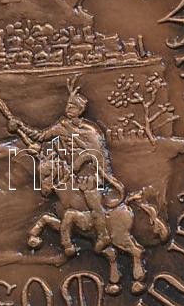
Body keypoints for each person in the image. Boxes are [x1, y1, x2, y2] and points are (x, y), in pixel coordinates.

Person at [12, 79, 116, 252]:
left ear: (80, 111)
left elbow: (97, 154)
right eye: (68, 106)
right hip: (69, 172)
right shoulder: (61, 127)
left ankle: (103, 234)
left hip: (89, 175)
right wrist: (20, 126)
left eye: (73, 107)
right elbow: (40, 136)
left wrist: (81, 162)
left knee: (94, 204)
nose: (68, 109)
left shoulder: (90, 132)